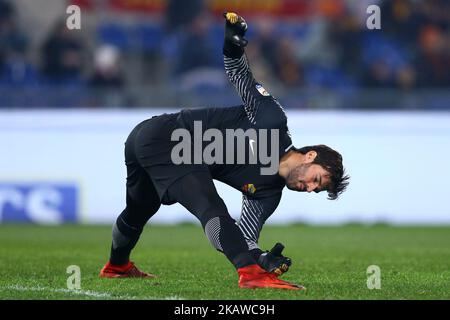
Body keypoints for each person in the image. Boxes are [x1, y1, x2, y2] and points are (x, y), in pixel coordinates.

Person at [99, 13, 349, 290]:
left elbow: (244, 238)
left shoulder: (268, 193)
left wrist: (260, 256)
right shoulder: (272, 122)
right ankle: (250, 276)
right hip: (168, 137)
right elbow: (239, 74)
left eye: (317, 189)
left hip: (145, 140)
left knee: (139, 209)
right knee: (210, 206)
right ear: (311, 156)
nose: (311, 189)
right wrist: (233, 44)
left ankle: (116, 266)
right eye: (317, 179)